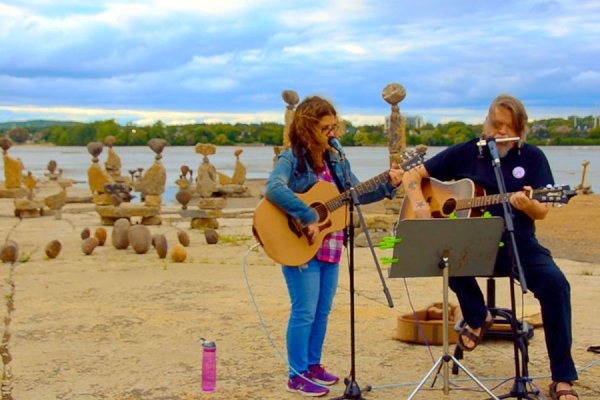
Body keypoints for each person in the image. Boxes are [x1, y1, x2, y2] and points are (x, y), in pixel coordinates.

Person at [401, 94, 578, 400]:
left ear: (520, 131)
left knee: (556, 285)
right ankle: (476, 314)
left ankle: (562, 379)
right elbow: (413, 174)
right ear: (487, 121)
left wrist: (527, 205)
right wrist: (419, 204)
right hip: (470, 244)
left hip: (517, 243)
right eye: (495, 125)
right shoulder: (469, 151)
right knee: (443, 250)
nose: (498, 133)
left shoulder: (532, 158)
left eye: (507, 128)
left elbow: (543, 210)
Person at [264, 95, 404, 397]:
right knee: (304, 310)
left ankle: (313, 366)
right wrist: (308, 215)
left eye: (334, 127)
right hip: (299, 242)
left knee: (323, 310)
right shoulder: (292, 158)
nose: (333, 133)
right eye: (326, 128)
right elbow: (273, 188)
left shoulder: (336, 158)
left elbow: (357, 194)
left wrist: (389, 184)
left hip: (331, 244)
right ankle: (296, 374)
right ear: (308, 127)